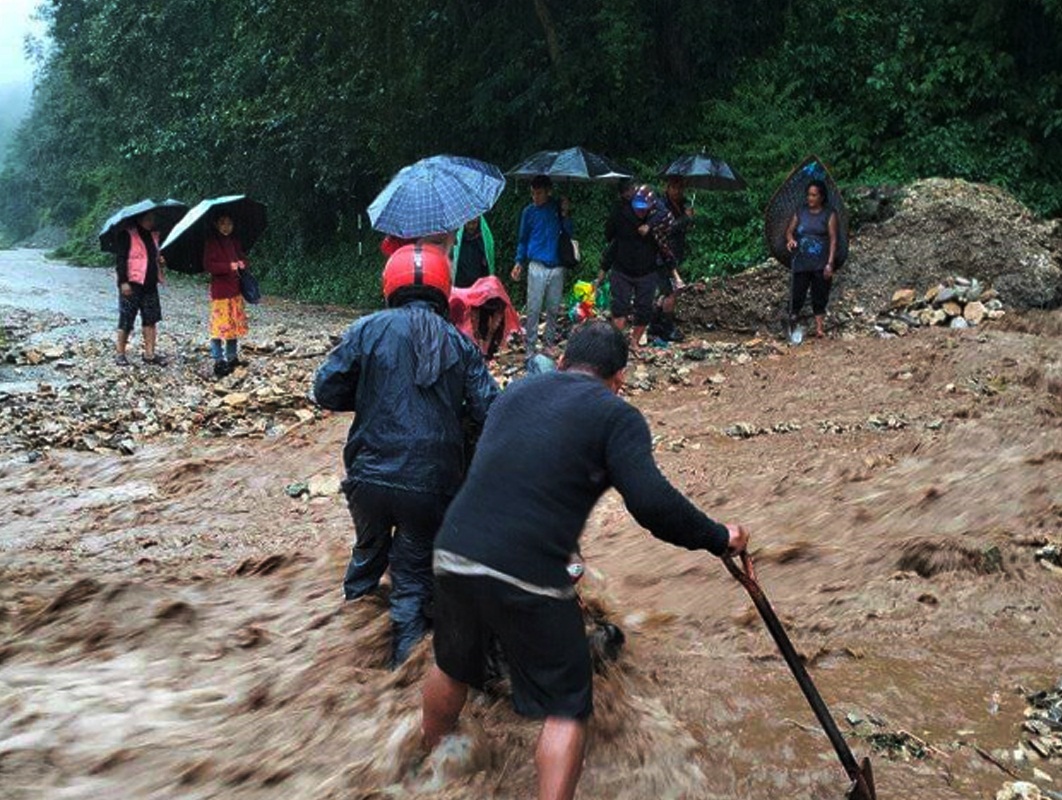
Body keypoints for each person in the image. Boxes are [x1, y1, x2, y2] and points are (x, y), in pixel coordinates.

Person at [420, 320, 750, 800]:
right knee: (568, 704)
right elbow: (652, 503)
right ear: (619, 380)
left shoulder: (516, 394)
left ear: (561, 362)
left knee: (452, 663)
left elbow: (507, 474)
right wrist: (720, 537)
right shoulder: (616, 417)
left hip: (455, 547)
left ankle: (432, 773)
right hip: (529, 567)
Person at [313, 243, 500, 666]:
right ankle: (402, 675)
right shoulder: (461, 344)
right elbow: (491, 410)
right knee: (412, 581)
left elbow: (324, 389)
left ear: (389, 286)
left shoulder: (366, 330)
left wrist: (368, 395)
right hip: (432, 484)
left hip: (367, 478)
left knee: (367, 557)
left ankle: (345, 664)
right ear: (443, 289)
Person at [602, 184, 673, 351]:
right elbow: (610, 240)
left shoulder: (658, 220)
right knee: (620, 307)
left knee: (644, 308)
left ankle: (634, 341)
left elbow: (665, 247)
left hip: (647, 270)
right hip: (622, 268)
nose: (640, 212)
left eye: (644, 209)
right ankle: (617, 344)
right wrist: (603, 269)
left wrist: (673, 271)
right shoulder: (621, 213)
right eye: (638, 208)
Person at [511, 175, 573, 357]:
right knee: (533, 307)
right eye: (533, 194)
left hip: (557, 264)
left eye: (539, 193)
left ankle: (549, 342)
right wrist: (518, 261)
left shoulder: (557, 207)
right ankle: (530, 346)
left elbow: (569, 232)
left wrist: (565, 213)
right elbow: (522, 239)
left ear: (548, 192)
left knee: (553, 307)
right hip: (536, 263)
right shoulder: (528, 212)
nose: (535, 197)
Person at [785, 179, 838, 339]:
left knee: (820, 294)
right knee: (797, 294)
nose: (810, 198)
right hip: (801, 261)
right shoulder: (800, 212)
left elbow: (833, 239)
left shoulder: (829, 214)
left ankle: (819, 328)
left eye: (814, 195)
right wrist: (790, 240)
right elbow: (789, 231)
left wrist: (830, 263)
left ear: (821, 197)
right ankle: (792, 325)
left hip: (820, 263)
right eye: (809, 195)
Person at [115, 210, 167, 366]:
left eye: (153, 218)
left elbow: (155, 257)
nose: (152, 221)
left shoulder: (155, 236)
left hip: (150, 283)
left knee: (151, 319)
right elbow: (121, 260)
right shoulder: (127, 235)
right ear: (140, 219)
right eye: (149, 218)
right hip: (132, 284)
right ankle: (120, 354)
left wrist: (161, 260)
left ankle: (150, 354)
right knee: (126, 319)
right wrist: (123, 281)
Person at [647, 176, 694, 343]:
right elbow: (668, 227)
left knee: (664, 292)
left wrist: (688, 220)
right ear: (668, 187)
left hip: (674, 253)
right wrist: (685, 219)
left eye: (680, 188)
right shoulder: (661, 205)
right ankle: (667, 328)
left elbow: (681, 228)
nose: (678, 191)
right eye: (675, 188)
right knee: (671, 292)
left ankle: (654, 325)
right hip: (662, 253)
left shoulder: (681, 204)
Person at [203, 213, 250, 377]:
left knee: (233, 324)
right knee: (219, 326)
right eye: (223, 223)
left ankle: (232, 356)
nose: (226, 227)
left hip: (235, 290)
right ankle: (218, 359)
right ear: (217, 224)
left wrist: (242, 263)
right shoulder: (212, 242)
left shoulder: (234, 241)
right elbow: (209, 265)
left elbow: (242, 257)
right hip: (220, 291)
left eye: (229, 223)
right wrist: (228, 266)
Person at [451, 215, 495, 289]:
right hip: (460, 283)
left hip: (478, 283)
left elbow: (488, 260)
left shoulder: (483, 240)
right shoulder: (457, 241)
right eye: (469, 223)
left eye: (474, 223)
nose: (471, 226)